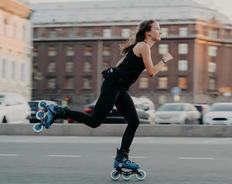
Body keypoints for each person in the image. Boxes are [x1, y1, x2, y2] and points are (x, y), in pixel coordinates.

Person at [44, 19, 174, 170]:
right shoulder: (144, 46)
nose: (161, 31)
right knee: (94, 121)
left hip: (120, 88)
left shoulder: (139, 47)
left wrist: (115, 73)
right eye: (158, 28)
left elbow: (119, 64)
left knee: (134, 122)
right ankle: (57, 112)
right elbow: (151, 72)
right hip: (113, 87)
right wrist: (164, 60)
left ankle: (122, 158)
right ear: (148, 33)